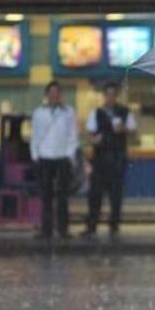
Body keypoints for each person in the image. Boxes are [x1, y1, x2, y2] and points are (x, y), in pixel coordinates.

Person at [81, 81, 137, 241]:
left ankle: (114, 226)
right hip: (99, 159)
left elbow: (133, 133)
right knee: (95, 195)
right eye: (108, 94)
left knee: (116, 195)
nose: (110, 98)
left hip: (118, 159)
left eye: (113, 94)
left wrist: (124, 130)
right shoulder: (96, 113)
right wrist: (94, 140)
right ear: (104, 96)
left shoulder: (125, 112)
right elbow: (89, 135)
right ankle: (91, 226)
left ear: (116, 96)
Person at [30, 80, 78, 241]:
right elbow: (34, 136)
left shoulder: (68, 112)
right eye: (51, 93)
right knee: (46, 196)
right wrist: (35, 155)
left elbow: (73, 135)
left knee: (63, 196)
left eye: (57, 93)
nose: (54, 96)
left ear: (60, 95)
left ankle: (63, 230)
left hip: (62, 158)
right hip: (44, 158)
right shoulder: (38, 113)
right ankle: (46, 230)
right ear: (47, 95)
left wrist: (69, 155)